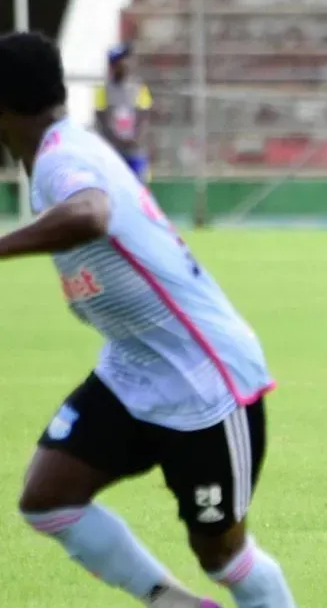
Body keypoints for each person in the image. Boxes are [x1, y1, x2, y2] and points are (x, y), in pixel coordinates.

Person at [1, 31, 297, 607]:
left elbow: (90, 214)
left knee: (222, 556)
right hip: (133, 368)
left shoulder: (64, 159)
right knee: (48, 498)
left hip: (204, 381)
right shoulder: (63, 149)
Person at [94, 42, 154, 183]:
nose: (127, 63)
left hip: (135, 151)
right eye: (123, 59)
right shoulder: (103, 90)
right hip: (112, 152)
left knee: (139, 190)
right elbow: (101, 120)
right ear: (114, 64)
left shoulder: (139, 88)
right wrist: (118, 140)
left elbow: (144, 118)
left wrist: (134, 139)